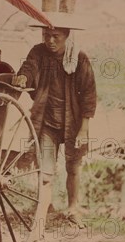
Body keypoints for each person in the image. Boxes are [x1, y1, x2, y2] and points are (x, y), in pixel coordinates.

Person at [12, 12, 97, 230]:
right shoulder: (38, 52)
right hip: (47, 121)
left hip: (74, 122)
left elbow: (89, 94)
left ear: (66, 35)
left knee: (74, 168)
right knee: (46, 173)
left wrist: (84, 129)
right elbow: (29, 67)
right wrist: (23, 77)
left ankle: (72, 208)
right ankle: (41, 217)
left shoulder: (79, 58)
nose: (50, 40)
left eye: (56, 36)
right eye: (46, 34)